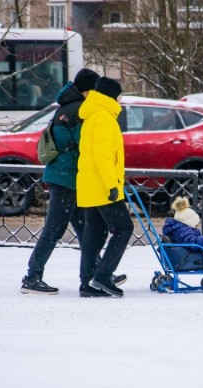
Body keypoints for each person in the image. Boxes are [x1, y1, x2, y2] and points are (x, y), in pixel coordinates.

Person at [21, 68, 126, 297]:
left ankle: (97, 273)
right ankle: (32, 276)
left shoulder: (65, 107)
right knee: (55, 229)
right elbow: (86, 144)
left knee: (85, 228)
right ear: (88, 90)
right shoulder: (79, 111)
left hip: (65, 175)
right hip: (67, 177)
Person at [77, 76, 134, 297]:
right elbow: (103, 157)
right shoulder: (104, 118)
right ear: (111, 96)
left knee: (95, 233)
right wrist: (112, 185)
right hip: (102, 186)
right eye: (119, 95)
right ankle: (103, 275)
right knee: (123, 228)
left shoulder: (91, 116)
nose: (121, 100)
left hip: (89, 186)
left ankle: (87, 281)